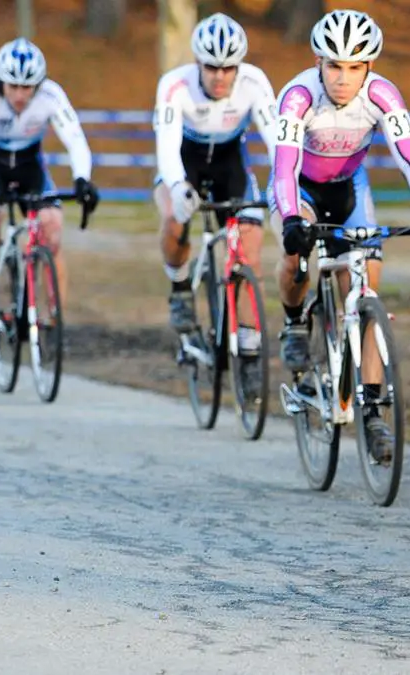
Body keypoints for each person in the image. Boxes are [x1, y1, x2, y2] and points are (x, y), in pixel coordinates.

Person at [270, 9, 410, 460]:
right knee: (296, 256)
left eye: (354, 67)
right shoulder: (297, 97)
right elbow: (284, 168)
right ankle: (294, 323)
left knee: (368, 281)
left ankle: (372, 409)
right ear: (318, 62)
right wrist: (293, 219)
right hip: (301, 191)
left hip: (351, 189)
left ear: (369, 66)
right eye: (334, 65)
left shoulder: (382, 95)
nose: (343, 78)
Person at [152, 13, 277, 396]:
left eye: (228, 68)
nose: (220, 77)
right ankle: (179, 288)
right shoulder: (175, 85)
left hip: (230, 167)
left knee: (249, 254)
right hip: (184, 164)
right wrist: (177, 186)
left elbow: (278, 143)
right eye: (211, 67)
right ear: (197, 63)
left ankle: (251, 351)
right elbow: (167, 148)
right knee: (175, 217)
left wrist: (282, 186)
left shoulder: (254, 83)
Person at [0, 37, 99, 334]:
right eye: (12, 86)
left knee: (51, 227)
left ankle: (55, 321)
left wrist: (82, 177)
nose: (20, 94)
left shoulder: (51, 95)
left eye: (27, 87)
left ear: (38, 85)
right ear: (0, 82)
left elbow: (75, 139)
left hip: (29, 165)